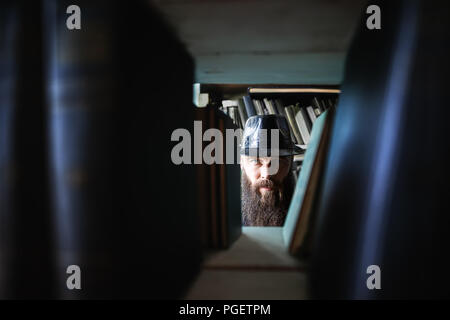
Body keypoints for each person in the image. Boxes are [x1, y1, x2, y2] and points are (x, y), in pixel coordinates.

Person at [240, 114, 302, 226]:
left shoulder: (313, 218)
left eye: (277, 162)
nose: (267, 174)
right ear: (242, 162)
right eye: (255, 161)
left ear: (291, 162)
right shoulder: (223, 220)